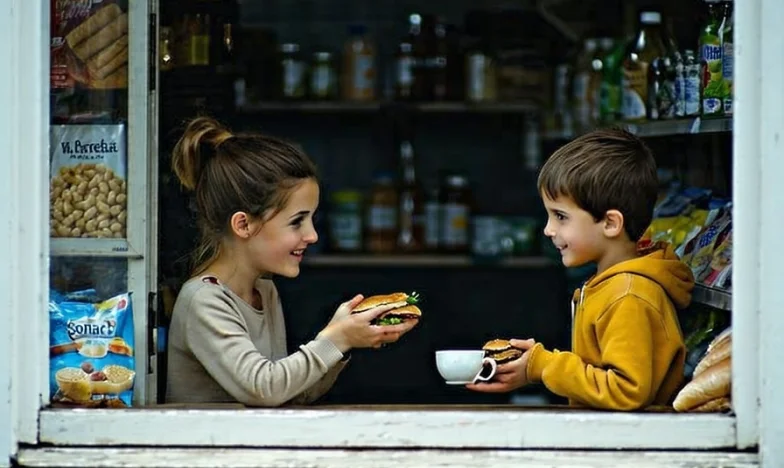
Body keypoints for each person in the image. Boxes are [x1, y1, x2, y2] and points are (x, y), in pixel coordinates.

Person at [165, 117, 418, 407]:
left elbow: (291, 394)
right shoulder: (204, 300)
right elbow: (263, 388)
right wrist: (334, 340)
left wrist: (345, 342)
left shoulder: (265, 292)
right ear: (244, 224)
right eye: (297, 222)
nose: (312, 235)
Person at [468, 128, 693, 411]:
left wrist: (545, 365)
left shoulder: (629, 296)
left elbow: (625, 392)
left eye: (561, 216)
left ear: (611, 224)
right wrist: (532, 370)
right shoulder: (609, 285)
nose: (549, 230)